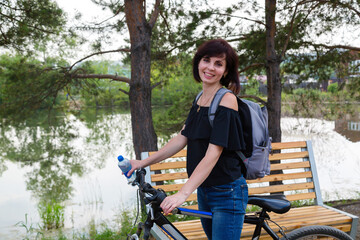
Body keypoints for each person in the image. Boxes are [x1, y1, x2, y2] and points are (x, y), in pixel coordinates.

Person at [128, 39, 248, 240]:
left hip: (227, 193)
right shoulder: (200, 98)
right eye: (206, 60)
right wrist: (143, 162)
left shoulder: (227, 99)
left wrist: (182, 194)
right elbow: (182, 138)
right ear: (198, 63)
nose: (210, 67)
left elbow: (214, 152)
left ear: (226, 72)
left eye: (218, 64)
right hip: (205, 191)